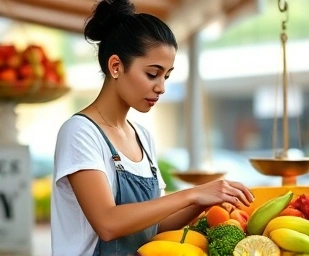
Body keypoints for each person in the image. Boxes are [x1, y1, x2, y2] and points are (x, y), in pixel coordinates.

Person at [50, 0, 254, 255]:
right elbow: (108, 223)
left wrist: (206, 200)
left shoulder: (143, 137)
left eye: (166, 76)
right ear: (116, 66)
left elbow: (154, 225)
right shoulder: (80, 132)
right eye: (152, 73)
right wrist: (192, 194)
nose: (162, 87)